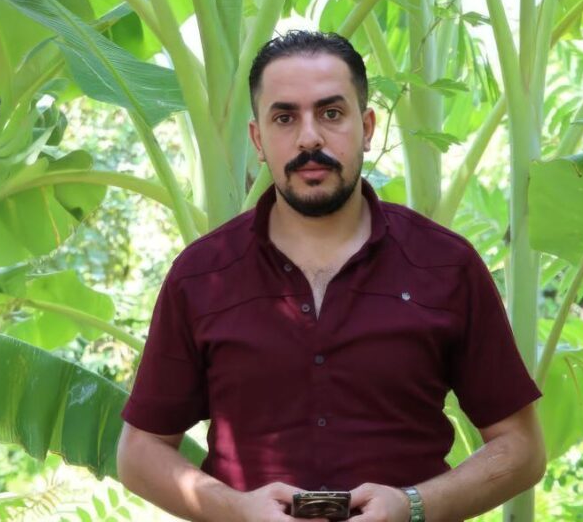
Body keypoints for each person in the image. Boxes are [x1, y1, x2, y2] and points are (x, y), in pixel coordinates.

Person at [117, 31, 545, 522]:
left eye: (331, 113)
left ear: (367, 127)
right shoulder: (202, 276)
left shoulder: (446, 266)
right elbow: (140, 452)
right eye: (284, 118)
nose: (309, 138)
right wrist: (239, 510)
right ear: (258, 140)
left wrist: (413, 505)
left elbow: (521, 447)